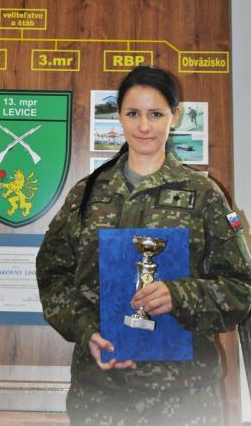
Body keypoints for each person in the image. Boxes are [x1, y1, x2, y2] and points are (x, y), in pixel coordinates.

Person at [36, 66, 251, 426]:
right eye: (133, 113)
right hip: (101, 395)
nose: (144, 126)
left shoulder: (204, 195)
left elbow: (241, 288)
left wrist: (179, 296)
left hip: (184, 397)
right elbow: (52, 276)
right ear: (119, 116)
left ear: (175, 116)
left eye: (156, 114)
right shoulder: (85, 195)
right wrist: (87, 329)